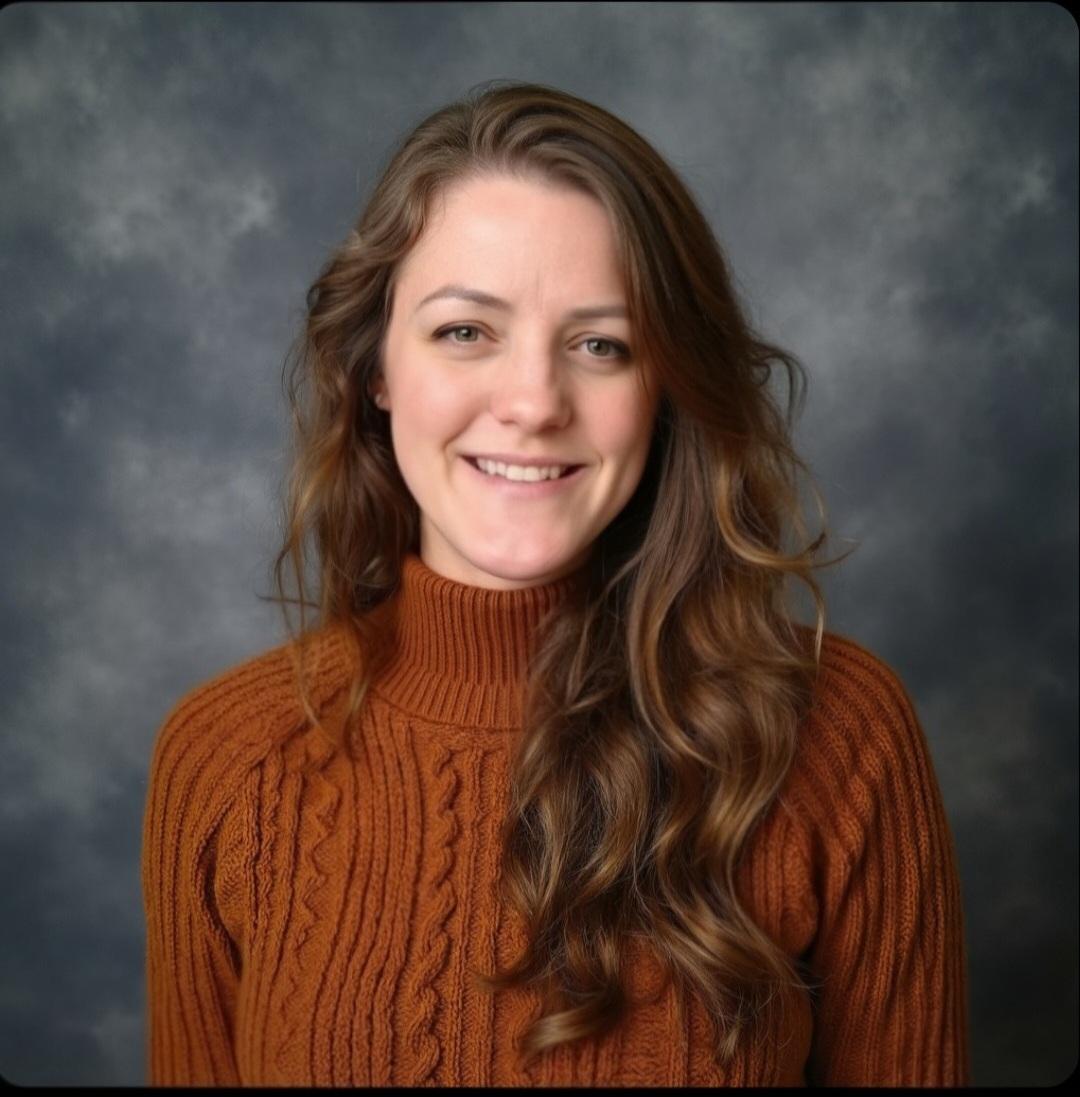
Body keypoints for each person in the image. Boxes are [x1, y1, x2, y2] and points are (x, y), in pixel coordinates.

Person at [141, 79, 972, 1087]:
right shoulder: (226, 756)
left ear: (665, 389)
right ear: (376, 370)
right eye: (464, 331)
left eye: (600, 344)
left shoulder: (841, 734)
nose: (534, 402)